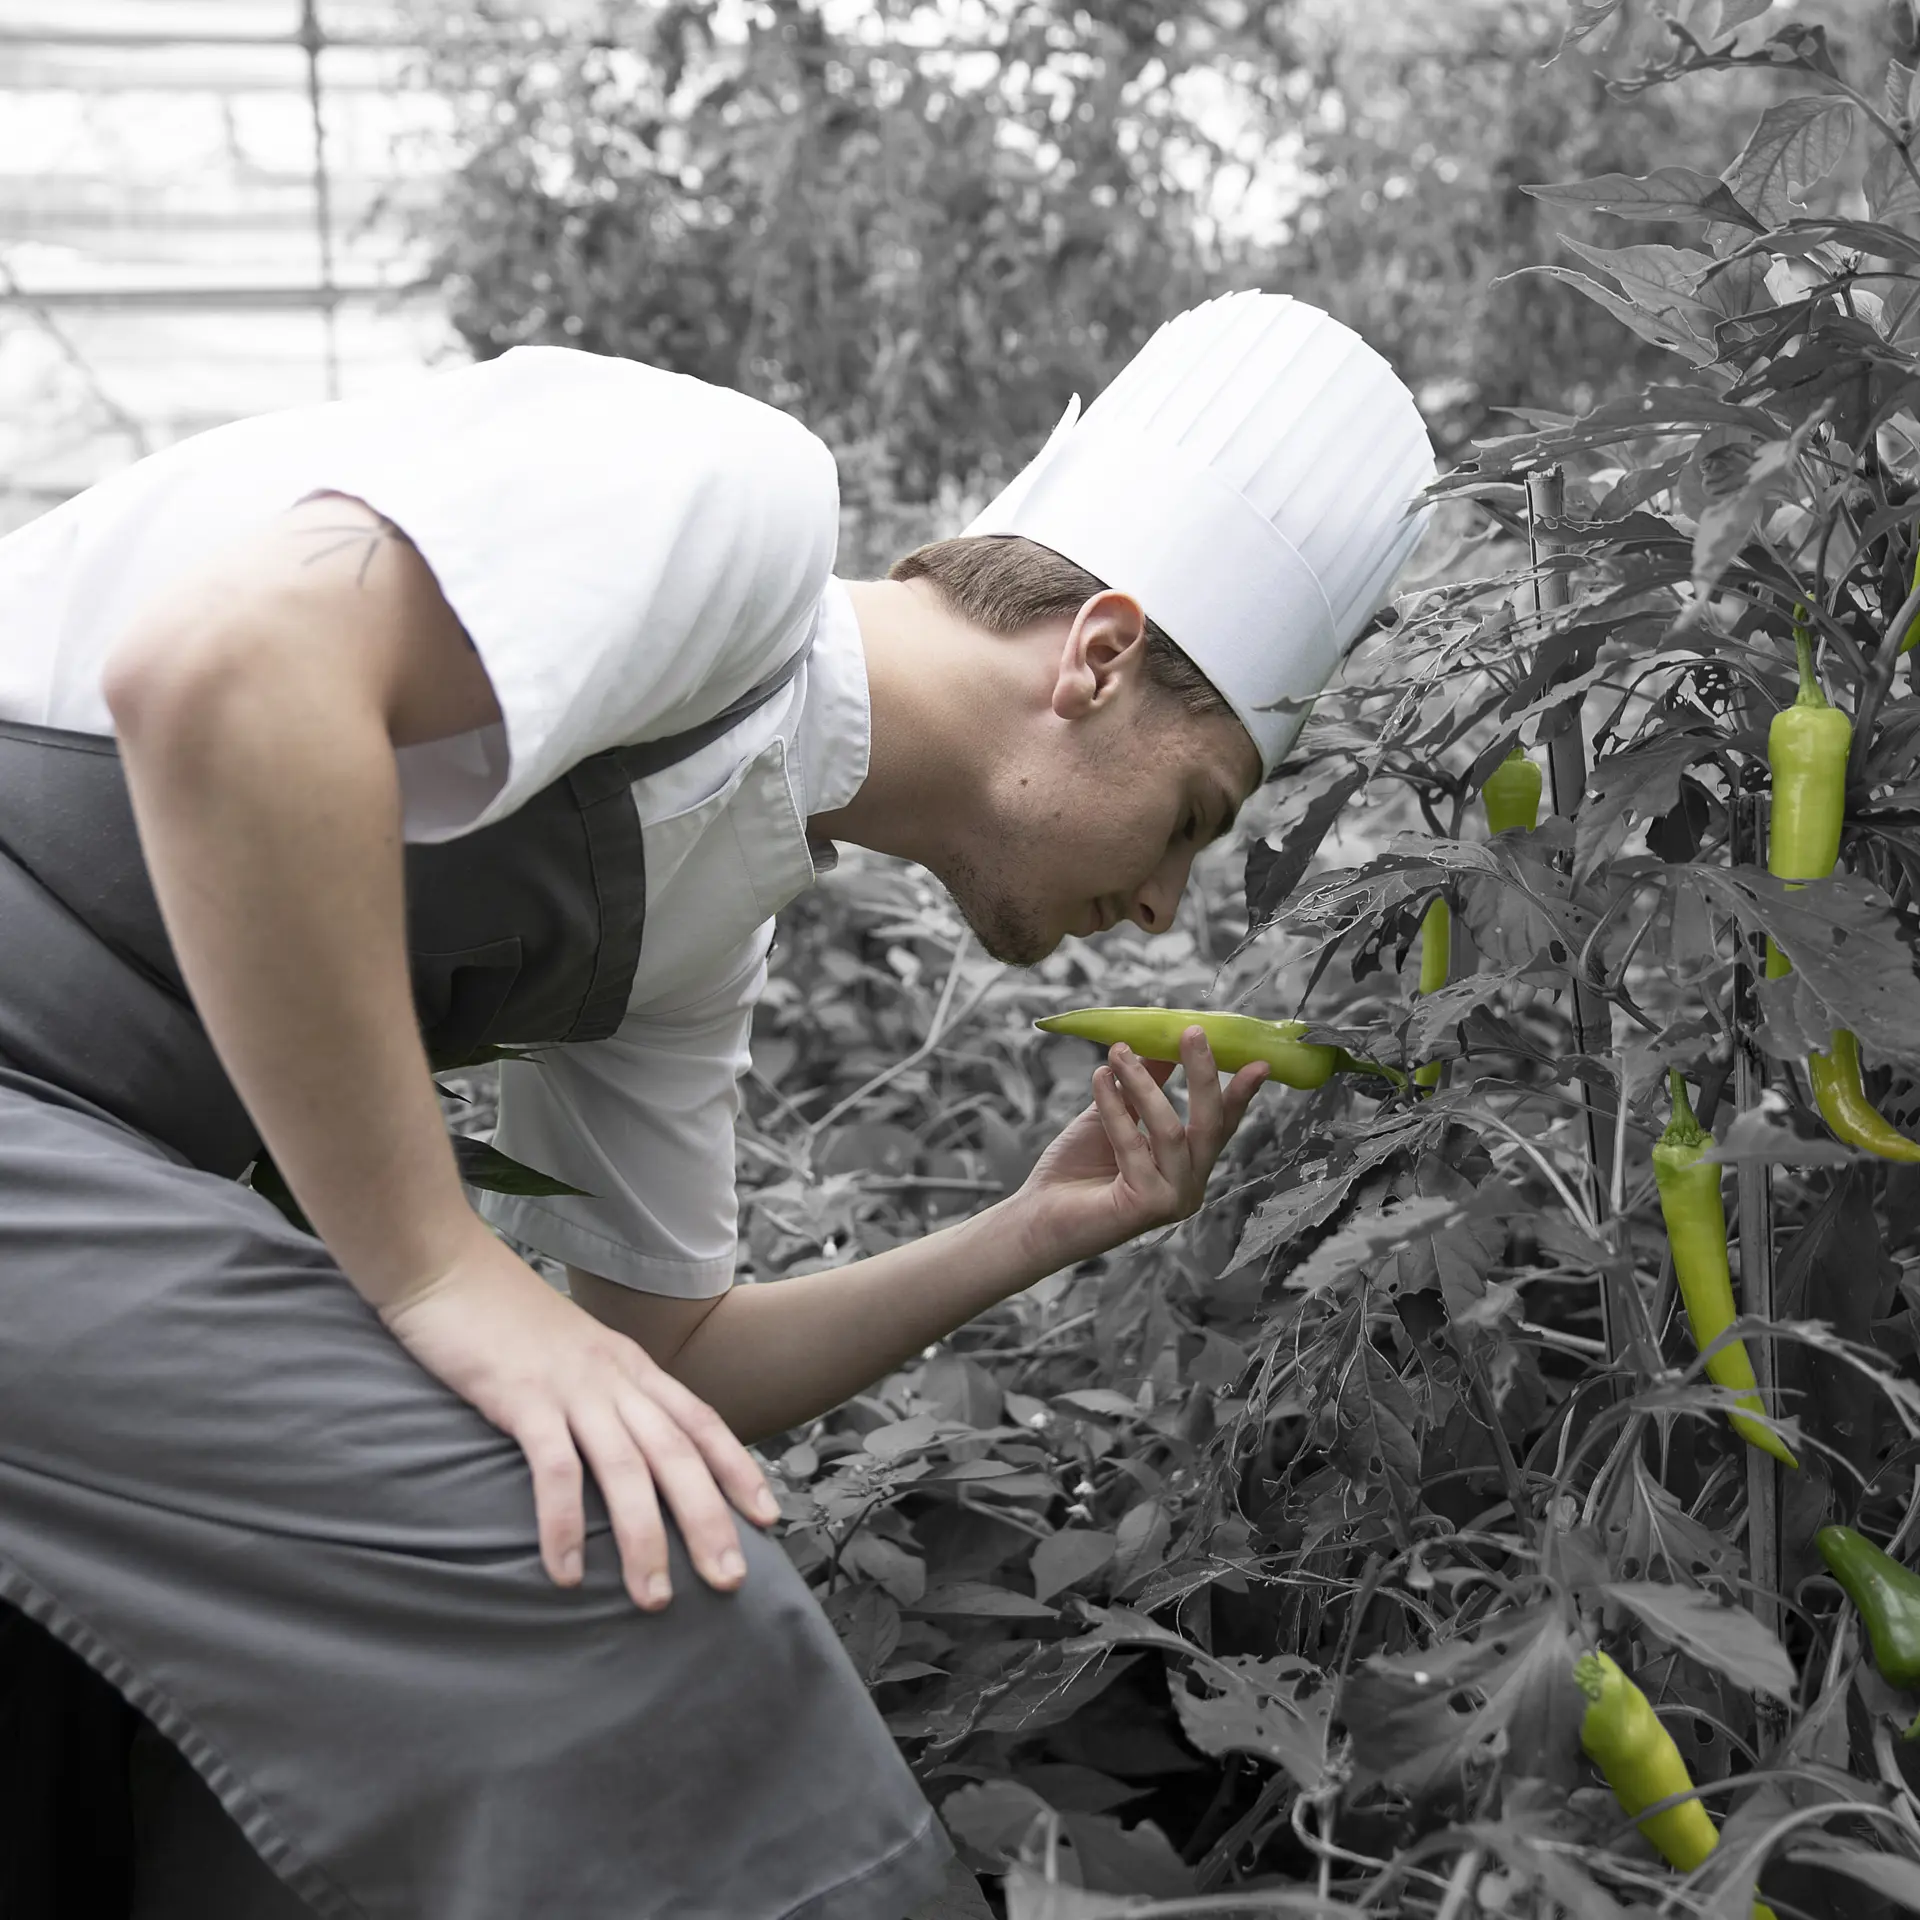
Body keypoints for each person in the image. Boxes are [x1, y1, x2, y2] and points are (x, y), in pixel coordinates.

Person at [0, 291, 1433, 1918]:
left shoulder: (697, 920)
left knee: (131, 1755)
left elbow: (667, 1359)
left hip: (87, 1172)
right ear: (1097, 658)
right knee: (631, 1593)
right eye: (1191, 817)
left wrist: (1047, 1224)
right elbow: (224, 672)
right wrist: (435, 1272)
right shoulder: (732, 489)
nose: (1168, 905)